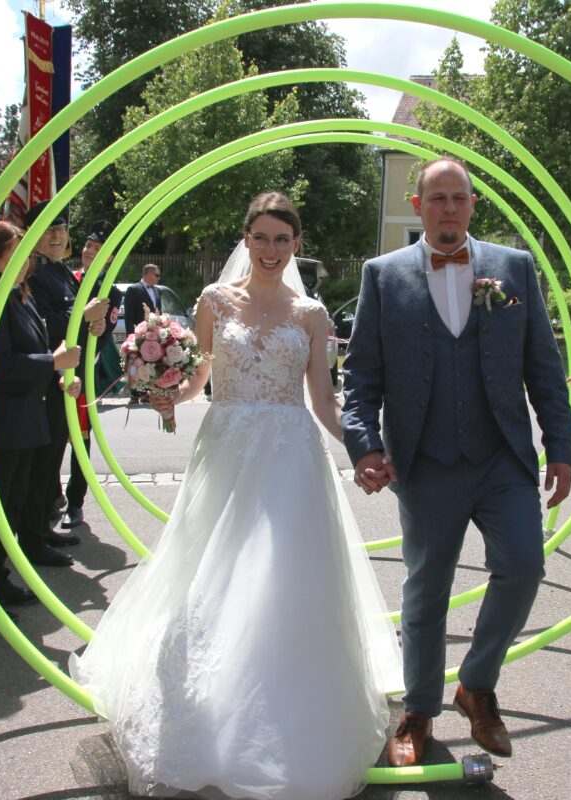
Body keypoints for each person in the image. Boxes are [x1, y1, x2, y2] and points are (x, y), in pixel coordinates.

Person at [70, 192, 401, 799]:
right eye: (262, 238)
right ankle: (200, 709)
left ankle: (285, 711)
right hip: (225, 449)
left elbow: (325, 402)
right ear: (244, 240)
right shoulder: (214, 301)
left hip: (290, 456)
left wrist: (365, 451)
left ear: (296, 245)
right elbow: (199, 378)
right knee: (210, 573)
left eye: (283, 239)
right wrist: (167, 391)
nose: (272, 250)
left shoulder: (313, 314)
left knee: (283, 582)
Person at [342, 158, 571, 767]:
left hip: (503, 456)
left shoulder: (513, 267)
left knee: (525, 567)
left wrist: (562, 447)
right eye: (437, 198)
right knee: (426, 590)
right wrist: (366, 444)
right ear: (417, 206)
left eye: (459, 198)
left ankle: (476, 683)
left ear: (473, 204)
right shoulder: (382, 275)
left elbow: (544, 369)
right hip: (426, 461)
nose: (449, 208)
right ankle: (418, 710)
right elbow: (361, 374)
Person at [0, 221, 81, 623]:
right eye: (14, 253)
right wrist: (53, 362)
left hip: (27, 419)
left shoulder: (19, 294)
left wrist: (61, 369)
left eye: (25, 255)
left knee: (12, 503)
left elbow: (41, 348)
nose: (23, 261)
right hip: (1, 421)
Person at [19, 202, 108, 564]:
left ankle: (40, 530)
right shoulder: (35, 273)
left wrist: (94, 328)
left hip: (61, 381)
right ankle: (33, 536)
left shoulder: (56, 271)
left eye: (61, 229)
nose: (57, 236)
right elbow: (42, 326)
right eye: (48, 229)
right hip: (45, 382)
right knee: (42, 464)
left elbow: (72, 327)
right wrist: (81, 317)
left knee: (51, 459)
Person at [62, 219, 125, 529]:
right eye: (88, 246)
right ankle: (50, 498)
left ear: (110, 258)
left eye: (98, 249)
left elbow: (104, 335)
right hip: (54, 368)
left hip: (82, 372)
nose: (90, 252)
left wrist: (98, 329)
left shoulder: (110, 291)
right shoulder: (67, 277)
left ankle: (75, 502)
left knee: (80, 440)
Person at [123, 262, 163, 330]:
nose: (159, 278)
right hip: (139, 333)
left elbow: (159, 313)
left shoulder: (157, 290)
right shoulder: (133, 290)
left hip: (155, 333)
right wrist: (131, 335)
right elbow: (129, 315)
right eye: (157, 275)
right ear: (148, 274)